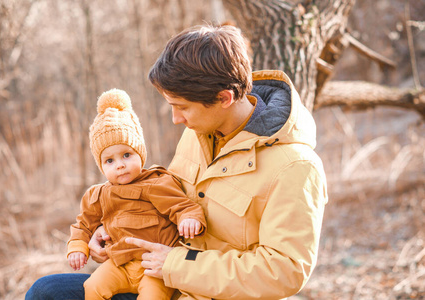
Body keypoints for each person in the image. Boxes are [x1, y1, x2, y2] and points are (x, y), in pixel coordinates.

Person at [26, 24, 327, 300]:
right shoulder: (198, 131)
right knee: (47, 293)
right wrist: (111, 227)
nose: (176, 119)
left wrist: (178, 265)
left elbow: (285, 270)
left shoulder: (295, 167)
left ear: (224, 98)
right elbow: (163, 200)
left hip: (209, 292)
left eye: (182, 107)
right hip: (159, 281)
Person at [66, 88, 206, 300]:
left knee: (152, 297)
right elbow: (83, 225)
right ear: (101, 166)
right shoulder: (98, 194)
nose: (120, 165)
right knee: (93, 286)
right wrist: (78, 247)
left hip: (154, 266)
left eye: (126, 155)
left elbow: (182, 206)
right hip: (119, 265)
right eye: (110, 161)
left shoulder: (156, 183)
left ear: (140, 153)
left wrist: (188, 219)